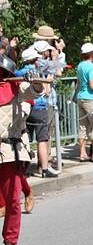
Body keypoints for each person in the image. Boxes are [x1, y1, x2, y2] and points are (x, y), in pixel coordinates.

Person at [0, 55, 44, 245]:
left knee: (12, 201)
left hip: (9, 152)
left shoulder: (17, 89)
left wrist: (34, 82)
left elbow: (34, 91)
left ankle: (10, 241)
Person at [18, 48, 57, 177]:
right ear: (35, 60)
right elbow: (46, 91)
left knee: (25, 138)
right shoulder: (38, 72)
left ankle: (25, 169)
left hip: (25, 107)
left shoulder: (18, 72)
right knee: (42, 139)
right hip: (39, 107)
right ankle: (44, 169)